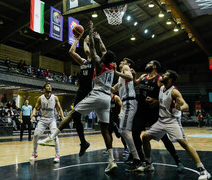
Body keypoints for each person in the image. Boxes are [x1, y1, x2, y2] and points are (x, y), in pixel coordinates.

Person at [38, 21, 117, 173]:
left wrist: (92, 33)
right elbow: (101, 50)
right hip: (106, 97)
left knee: (72, 113)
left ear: (103, 58)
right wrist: (90, 39)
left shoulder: (97, 64)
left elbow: (94, 50)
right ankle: (112, 160)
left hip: (96, 93)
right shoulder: (111, 65)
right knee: (104, 129)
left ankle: (51, 137)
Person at [138, 70, 211, 180]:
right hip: (161, 120)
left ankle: (203, 170)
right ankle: (148, 164)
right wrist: (154, 100)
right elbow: (162, 101)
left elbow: (185, 105)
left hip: (172, 121)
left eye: (166, 75)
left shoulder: (174, 92)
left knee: (183, 143)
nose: (163, 75)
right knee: (145, 137)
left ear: (170, 79)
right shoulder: (162, 88)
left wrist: (180, 108)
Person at [130, 60, 184, 172]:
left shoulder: (159, 79)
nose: (146, 64)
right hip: (141, 110)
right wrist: (134, 75)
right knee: (135, 133)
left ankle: (178, 160)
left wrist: (157, 101)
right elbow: (135, 84)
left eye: (149, 63)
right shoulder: (144, 76)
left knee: (164, 138)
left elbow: (166, 93)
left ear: (154, 66)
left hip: (154, 112)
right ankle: (144, 161)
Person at [111, 58, 142, 171]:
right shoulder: (121, 76)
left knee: (123, 130)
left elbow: (129, 77)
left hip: (129, 101)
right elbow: (113, 89)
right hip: (126, 103)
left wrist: (115, 71)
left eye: (123, 61)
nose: (121, 62)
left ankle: (136, 158)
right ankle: (136, 155)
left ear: (128, 64)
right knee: (124, 131)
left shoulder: (125, 68)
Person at [30, 83, 64, 163]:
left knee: (55, 136)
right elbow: (35, 108)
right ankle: (34, 153)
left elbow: (60, 108)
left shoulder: (55, 98)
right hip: (43, 119)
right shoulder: (40, 98)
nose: (50, 87)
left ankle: (57, 155)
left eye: (50, 86)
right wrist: (33, 114)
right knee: (35, 135)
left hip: (52, 119)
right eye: (48, 86)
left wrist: (63, 117)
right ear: (44, 89)